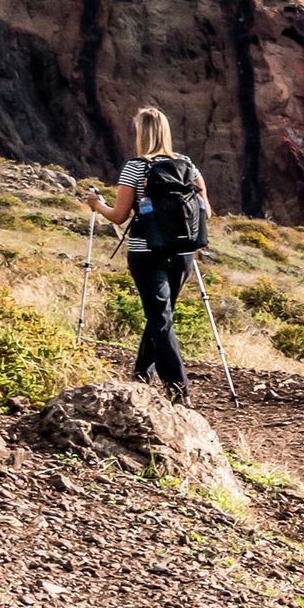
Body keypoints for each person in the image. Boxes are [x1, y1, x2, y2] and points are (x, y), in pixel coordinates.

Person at [82, 106, 210, 404]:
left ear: (141, 133)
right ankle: (140, 375)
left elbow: (119, 216)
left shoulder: (136, 167)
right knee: (160, 316)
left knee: (159, 318)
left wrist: (96, 204)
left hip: (146, 251)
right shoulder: (188, 165)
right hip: (183, 253)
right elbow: (207, 210)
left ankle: (179, 392)